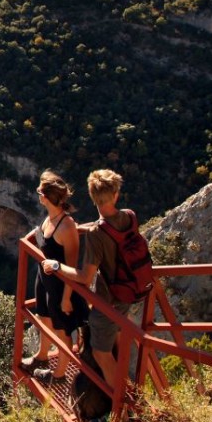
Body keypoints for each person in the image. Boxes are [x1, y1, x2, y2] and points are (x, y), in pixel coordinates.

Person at [43, 169, 133, 395]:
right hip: (132, 290)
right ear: (116, 195)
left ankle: (122, 403)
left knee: (102, 353)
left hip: (110, 299)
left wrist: (56, 266)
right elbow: (107, 224)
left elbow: (85, 277)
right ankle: (137, 389)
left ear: (93, 199)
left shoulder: (96, 236)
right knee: (123, 342)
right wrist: (79, 229)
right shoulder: (129, 216)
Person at [22, 170, 88, 384]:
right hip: (44, 280)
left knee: (62, 330)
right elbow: (43, 237)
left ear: (47, 196)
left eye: (40, 192)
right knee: (44, 318)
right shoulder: (50, 218)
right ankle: (42, 356)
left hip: (60, 287)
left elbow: (71, 264)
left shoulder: (66, 226)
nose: (38, 195)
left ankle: (59, 375)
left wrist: (67, 298)